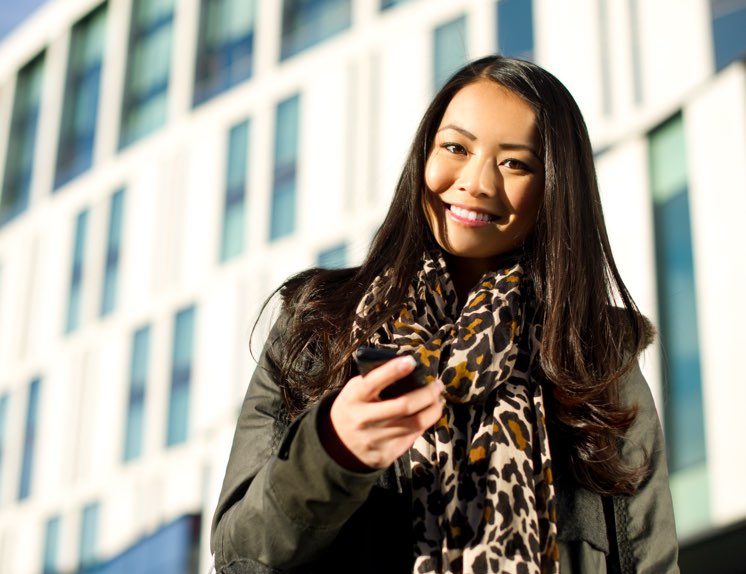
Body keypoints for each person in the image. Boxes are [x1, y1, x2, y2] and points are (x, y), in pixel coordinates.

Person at [210, 55, 679, 574]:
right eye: (456, 147)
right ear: (424, 156)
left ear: (555, 189)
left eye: (515, 163)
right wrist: (332, 453)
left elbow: (651, 562)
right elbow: (239, 557)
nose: (476, 182)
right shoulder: (320, 325)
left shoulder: (595, 362)